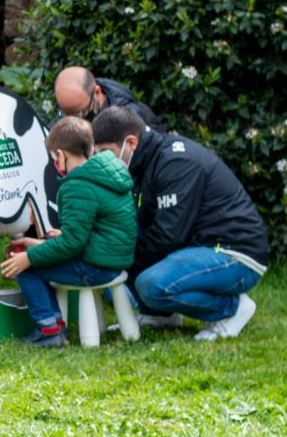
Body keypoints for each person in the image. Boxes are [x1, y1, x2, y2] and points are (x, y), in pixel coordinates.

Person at [92, 106, 269, 340]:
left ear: (131, 143)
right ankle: (160, 315)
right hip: (195, 247)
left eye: (106, 152)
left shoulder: (176, 162)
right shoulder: (142, 164)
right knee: (107, 274)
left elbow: (167, 236)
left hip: (232, 251)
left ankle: (232, 309)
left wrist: (122, 261)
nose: (102, 160)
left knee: (149, 284)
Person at [0, 116, 137, 347]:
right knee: (41, 246)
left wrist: (29, 257)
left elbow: (73, 244)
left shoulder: (76, 185)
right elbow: (95, 228)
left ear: (61, 155)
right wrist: (41, 244)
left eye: (54, 158)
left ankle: (50, 329)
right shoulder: (106, 173)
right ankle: (52, 324)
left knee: (25, 268)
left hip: (96, 266)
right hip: (113, 258)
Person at [54, 65, 168, 133]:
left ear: (97, 92)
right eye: (66, 113)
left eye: (81, 112)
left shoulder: (130, 118)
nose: (74, 120)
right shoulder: (74, 103)